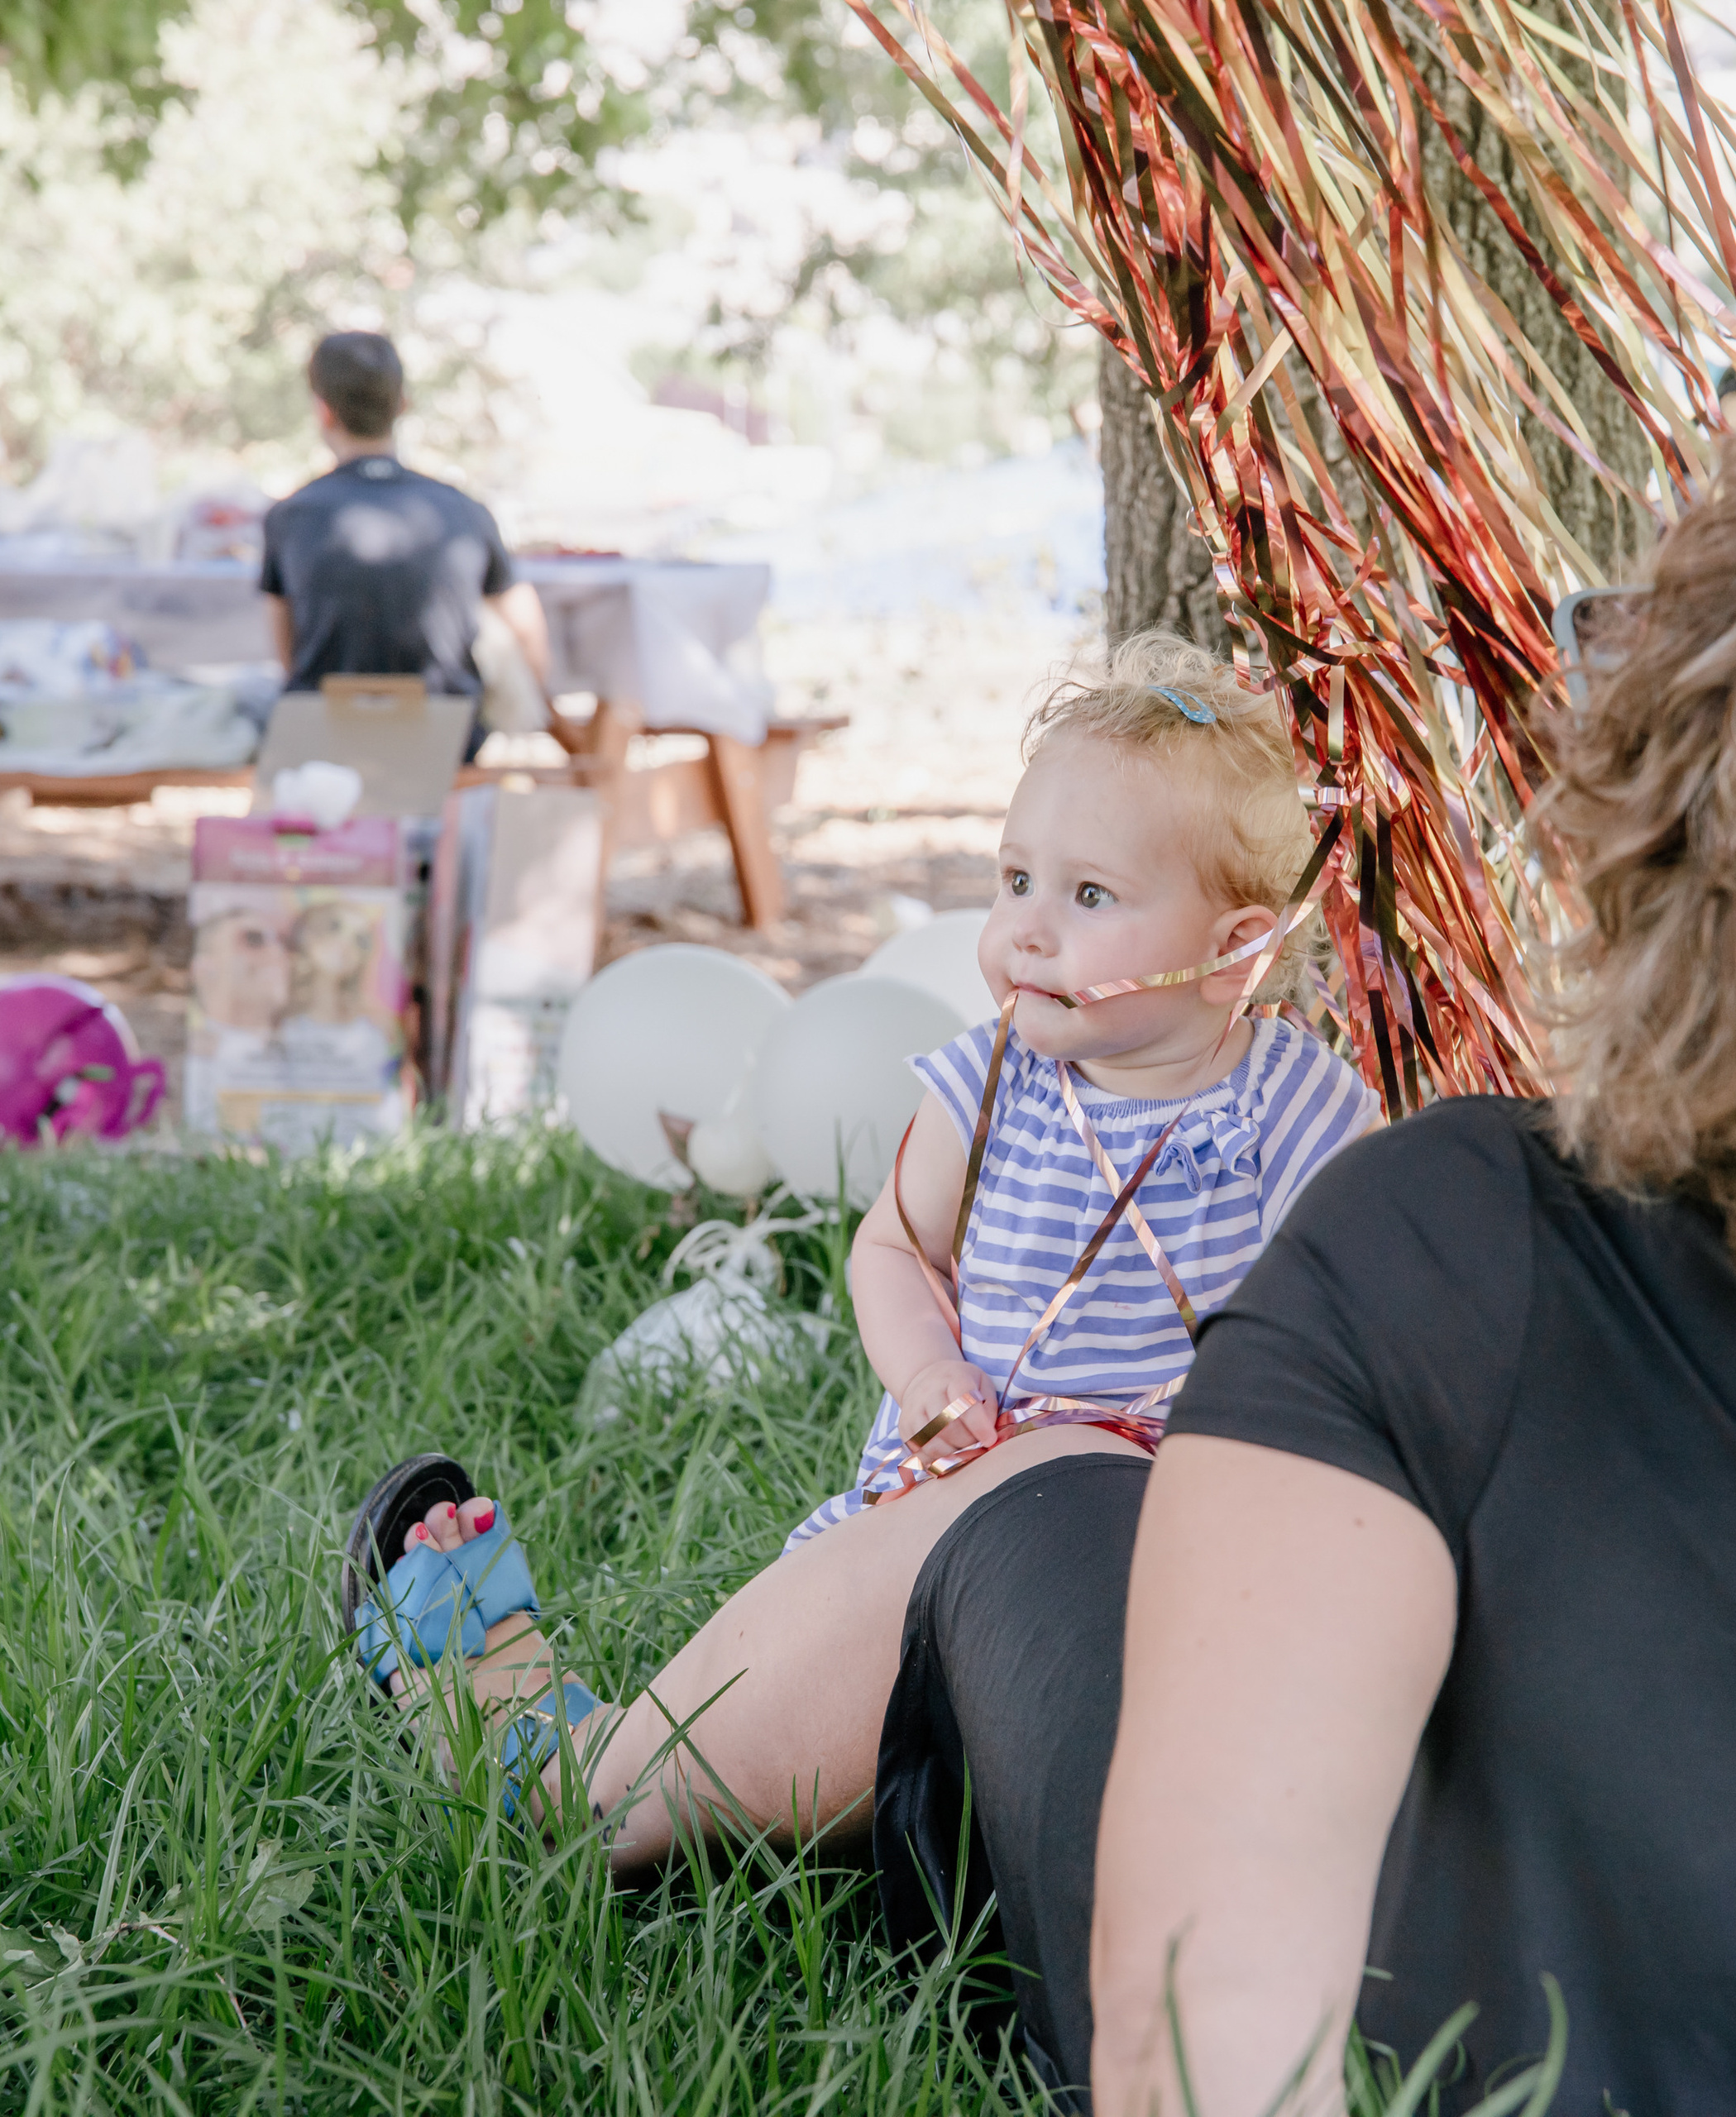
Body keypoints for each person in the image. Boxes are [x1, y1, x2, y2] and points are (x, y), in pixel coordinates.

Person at [874, 378, 1736, 2113]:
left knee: (1044, 1509)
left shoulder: (1453, 1218)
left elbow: (1200, 2041)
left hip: (1409, 2005)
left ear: (1658, 835)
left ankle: (566, 1762)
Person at [337, 634, 1377, 1880]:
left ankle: (614, 1775)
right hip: (963, 1483)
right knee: (897, 1614)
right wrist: (931, 1373)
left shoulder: (1297, 1107)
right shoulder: (994, 1082)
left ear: (1237, 949)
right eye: (1014, 880)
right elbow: (893, 1248)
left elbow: (1351, 1325)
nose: (1027, 932)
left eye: (1089, 897)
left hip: (1174, 1525)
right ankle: (576, 1772)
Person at [259, 332, 549, 739]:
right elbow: (526, 627)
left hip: (327, 735)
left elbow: (287, 650)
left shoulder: (289, 517)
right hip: (447, 737)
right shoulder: (466, 512)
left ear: (323, 412)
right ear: (402, 406)